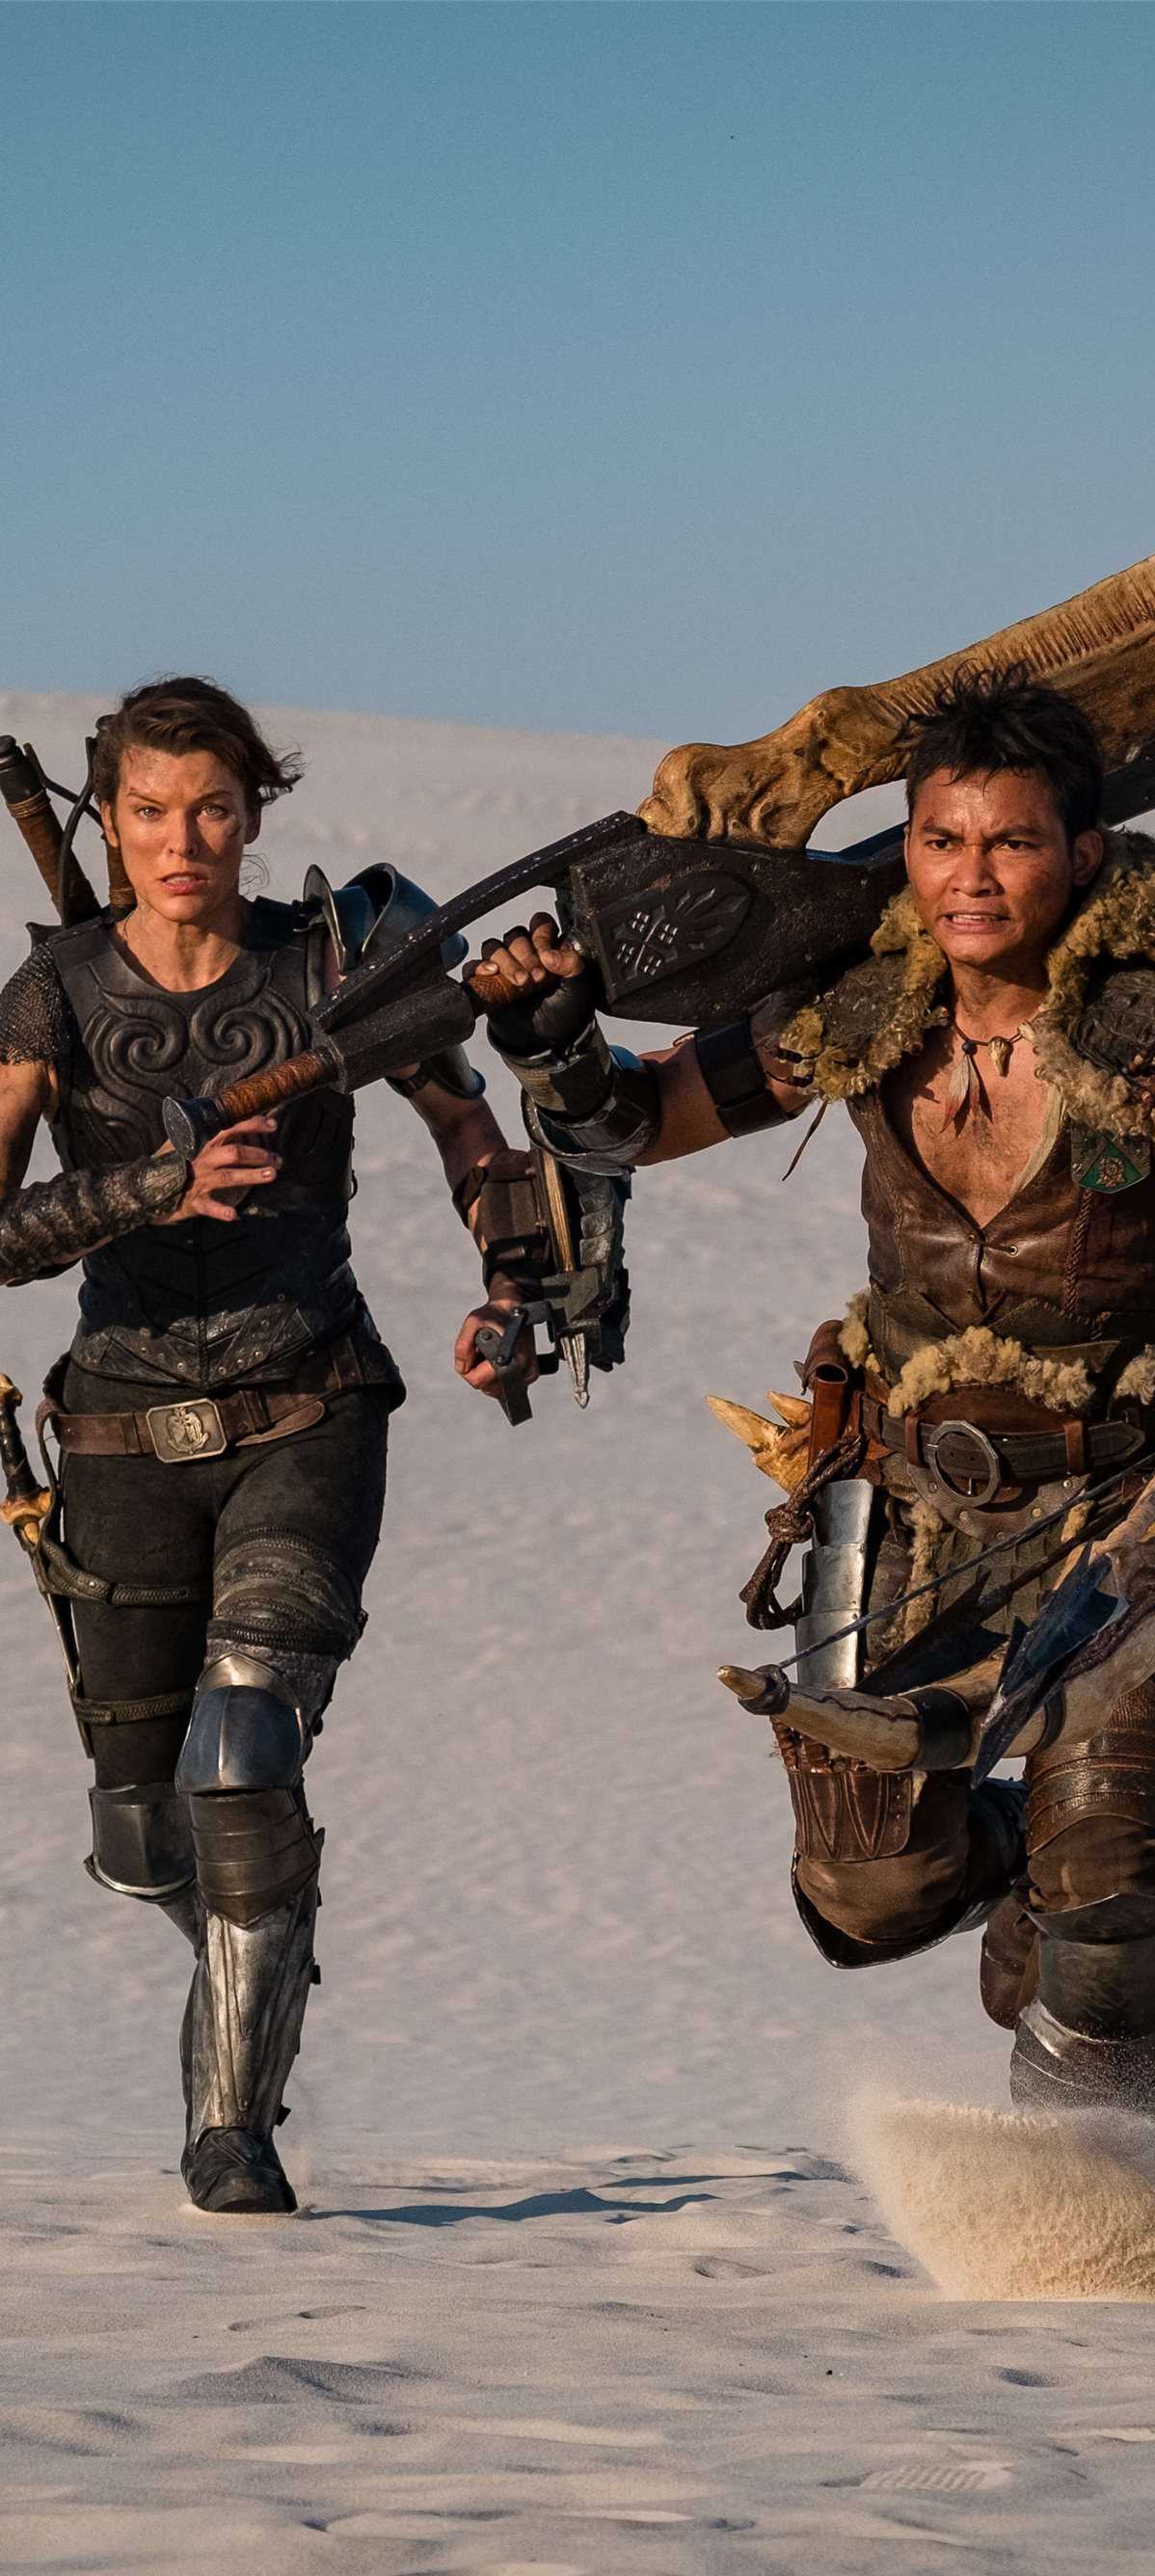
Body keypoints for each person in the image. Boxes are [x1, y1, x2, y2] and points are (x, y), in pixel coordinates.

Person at [476, 668, 1155, 2128]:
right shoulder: (862, 1009)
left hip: (1121, 1504)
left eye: (1009, 842)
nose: (970, 877)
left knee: (1113, 1887)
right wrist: (554, 1042)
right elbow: (634, 1127)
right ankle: (1023, 1852)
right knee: (867, 1891)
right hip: (910, 1495)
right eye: (941, 841)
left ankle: (1083, 2202)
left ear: (1081, 854)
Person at [0, 676, 529, 2213]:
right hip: (115, 1432)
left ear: (254, 815)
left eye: (213, 810)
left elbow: (468, 1128)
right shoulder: (51, 996)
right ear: (107, 820)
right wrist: (141, 1191)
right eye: (150, 812)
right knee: (142, 1835)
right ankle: (262, 1934)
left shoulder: (334, 967)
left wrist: (511, 1283)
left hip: (308, 1404)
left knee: (243, 1756)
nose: (183, 842)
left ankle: (232, 2139)